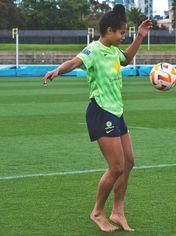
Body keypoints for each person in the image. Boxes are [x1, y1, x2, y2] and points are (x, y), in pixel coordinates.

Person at [43, 4, 152, 233]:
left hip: (117, 111)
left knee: (129, 162)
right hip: (101, 111)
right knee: (116, 167)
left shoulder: (113, 50)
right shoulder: (93, 50)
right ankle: (97, 212)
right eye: (122, 33)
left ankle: (118, 212)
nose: (124, 36)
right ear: (110, 30)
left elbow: (126, 60)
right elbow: (74, 62)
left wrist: (140, 37)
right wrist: (57, 71)